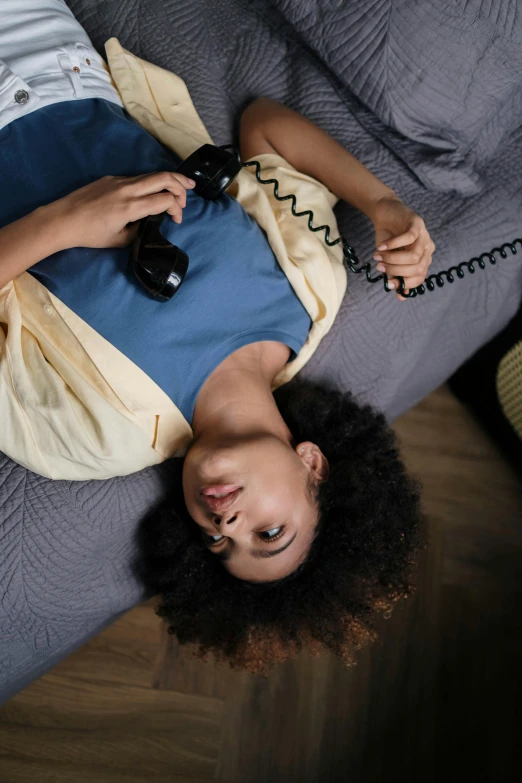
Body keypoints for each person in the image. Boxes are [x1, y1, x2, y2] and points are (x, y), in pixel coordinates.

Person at [0, 1, 430, 668]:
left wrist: (61, 225)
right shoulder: (306, 292)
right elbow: (265, 125)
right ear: (311, 465)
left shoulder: (90, 440)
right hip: (50, 48)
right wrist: (384, 205)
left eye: (219, 546)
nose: (226, 527)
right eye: (270, 531)